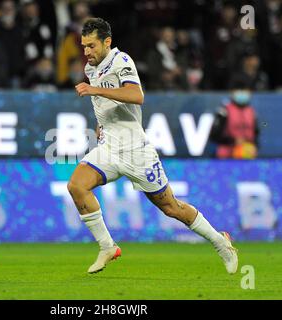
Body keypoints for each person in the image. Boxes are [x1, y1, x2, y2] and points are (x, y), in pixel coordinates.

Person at [68, 18, 238, 274]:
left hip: (136, 151)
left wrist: (95, 91)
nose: (87, 52)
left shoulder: (121, 61)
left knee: (171, 208)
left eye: (91, 46)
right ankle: (107, 246)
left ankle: (220, 241)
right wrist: (99, 125)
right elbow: (103, 105)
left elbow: (136, 96)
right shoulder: (92, 69)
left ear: (107, 42)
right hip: (109, 147)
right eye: (84, 47)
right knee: (76, 186)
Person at [210, 84, 260, 159]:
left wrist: (253, 145)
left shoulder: (252, 111)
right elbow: (214, 135)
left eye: (245, 90)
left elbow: (256, 134)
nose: (242, 93)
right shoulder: (224, 111)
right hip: (226, 157)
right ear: (232, 92)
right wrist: (233, 141)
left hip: (247, 155)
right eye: (239, 90)